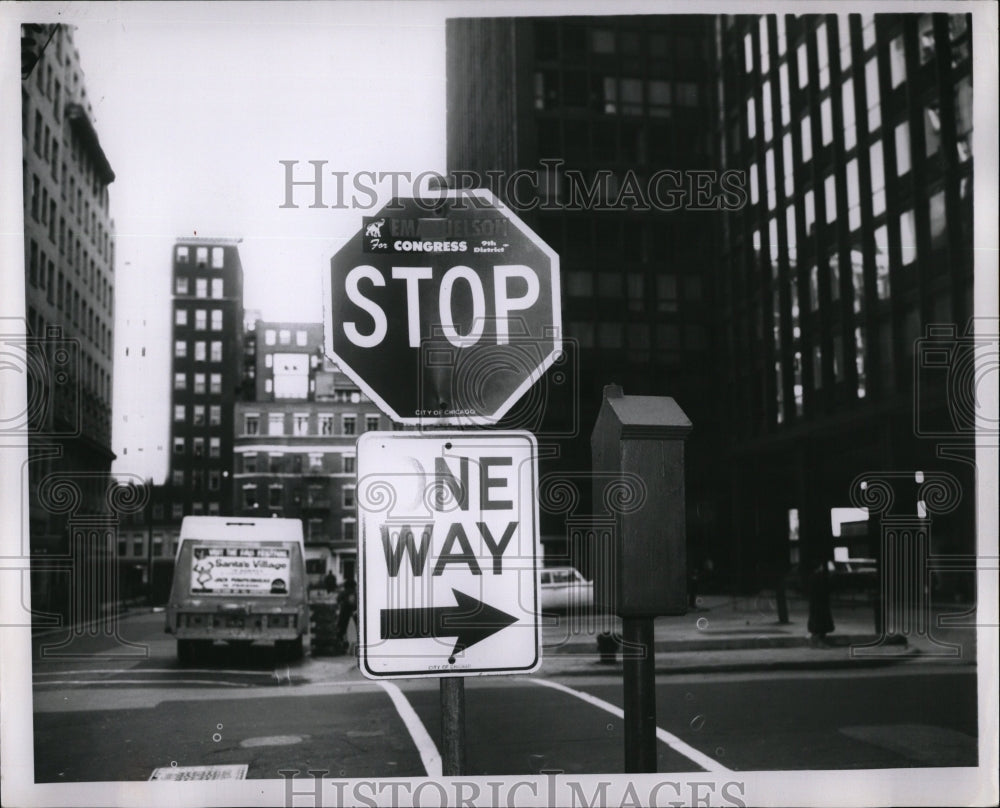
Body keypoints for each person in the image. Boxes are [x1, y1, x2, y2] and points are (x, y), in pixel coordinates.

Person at [807, 560, 835, 646]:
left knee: (817, 622)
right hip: (820, 603)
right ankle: (819, 641)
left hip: (816, 603)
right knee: (820, 623)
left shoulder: (812, 577)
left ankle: (815, 640)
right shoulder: (819, 577)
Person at [336, 578, 358, 651]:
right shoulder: (355, 592)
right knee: (354, 629)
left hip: (344, 612)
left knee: (342, 628)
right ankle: (351, 645)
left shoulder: (344, 592)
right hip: (353, 613)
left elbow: (338, 599)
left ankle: (343, 643)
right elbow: (354, 603)